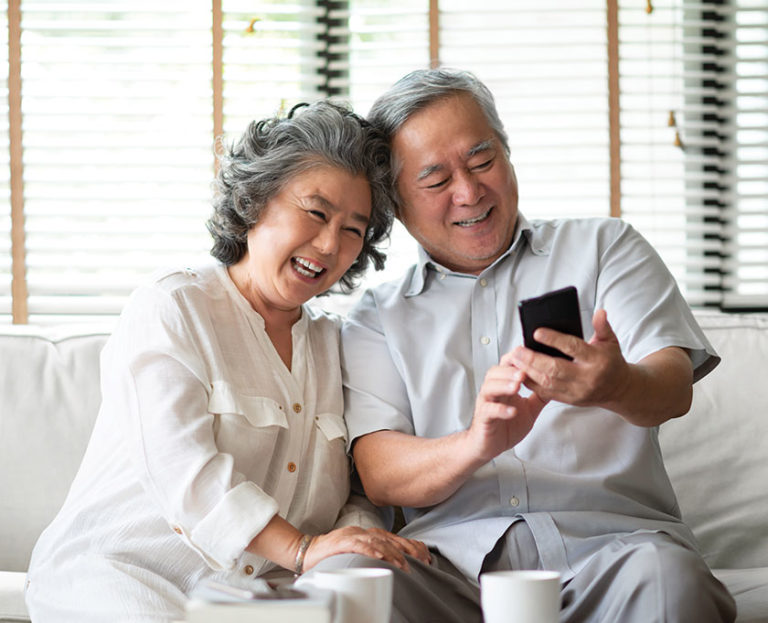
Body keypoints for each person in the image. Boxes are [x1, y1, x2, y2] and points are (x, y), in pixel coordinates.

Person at [339, 68, 737, 622]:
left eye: (483, 161)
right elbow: (380, 473)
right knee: (347, 582)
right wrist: (477, 442)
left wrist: (618, 384)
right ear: (397, 204)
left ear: (507, 152)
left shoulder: (604, 247)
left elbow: (672, 387)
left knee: (669, 581)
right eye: (435, 180)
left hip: (614, 557)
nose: (469, 191)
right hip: (448, 572)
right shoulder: (378, 315)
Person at [24, 100, 429, 623]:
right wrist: (303, 550)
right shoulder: (173, 307)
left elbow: (351, 492)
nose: (330, 244)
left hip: (259, 596)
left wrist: (356, 541)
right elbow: (184, 473)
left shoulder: (337, 343)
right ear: (255, 201)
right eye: (316, 212)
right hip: (122, 574)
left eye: (354, 229)